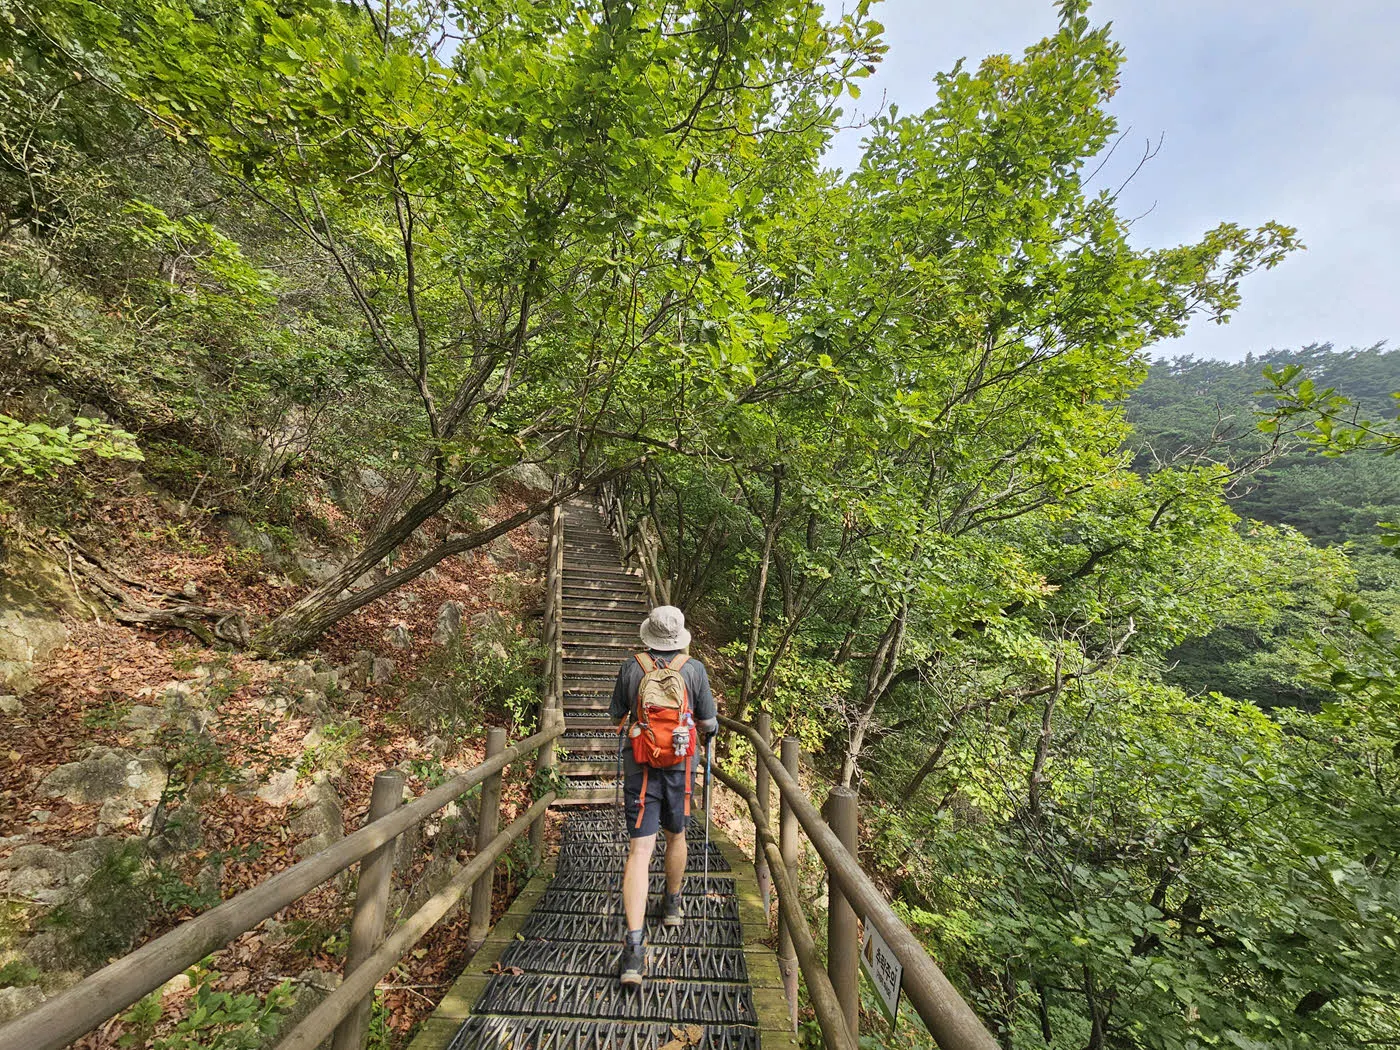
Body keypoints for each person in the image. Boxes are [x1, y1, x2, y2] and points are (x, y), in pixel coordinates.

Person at [610, 605, 718, 988]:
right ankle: (672, 904)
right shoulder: (694, 669)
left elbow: (615, 716)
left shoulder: (632, 667)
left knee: (640, 850)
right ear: (679, 637)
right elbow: (708, 722)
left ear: (650, 635)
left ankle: (633, 948)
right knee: (676, 835)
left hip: (640, 763)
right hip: (680, 765)